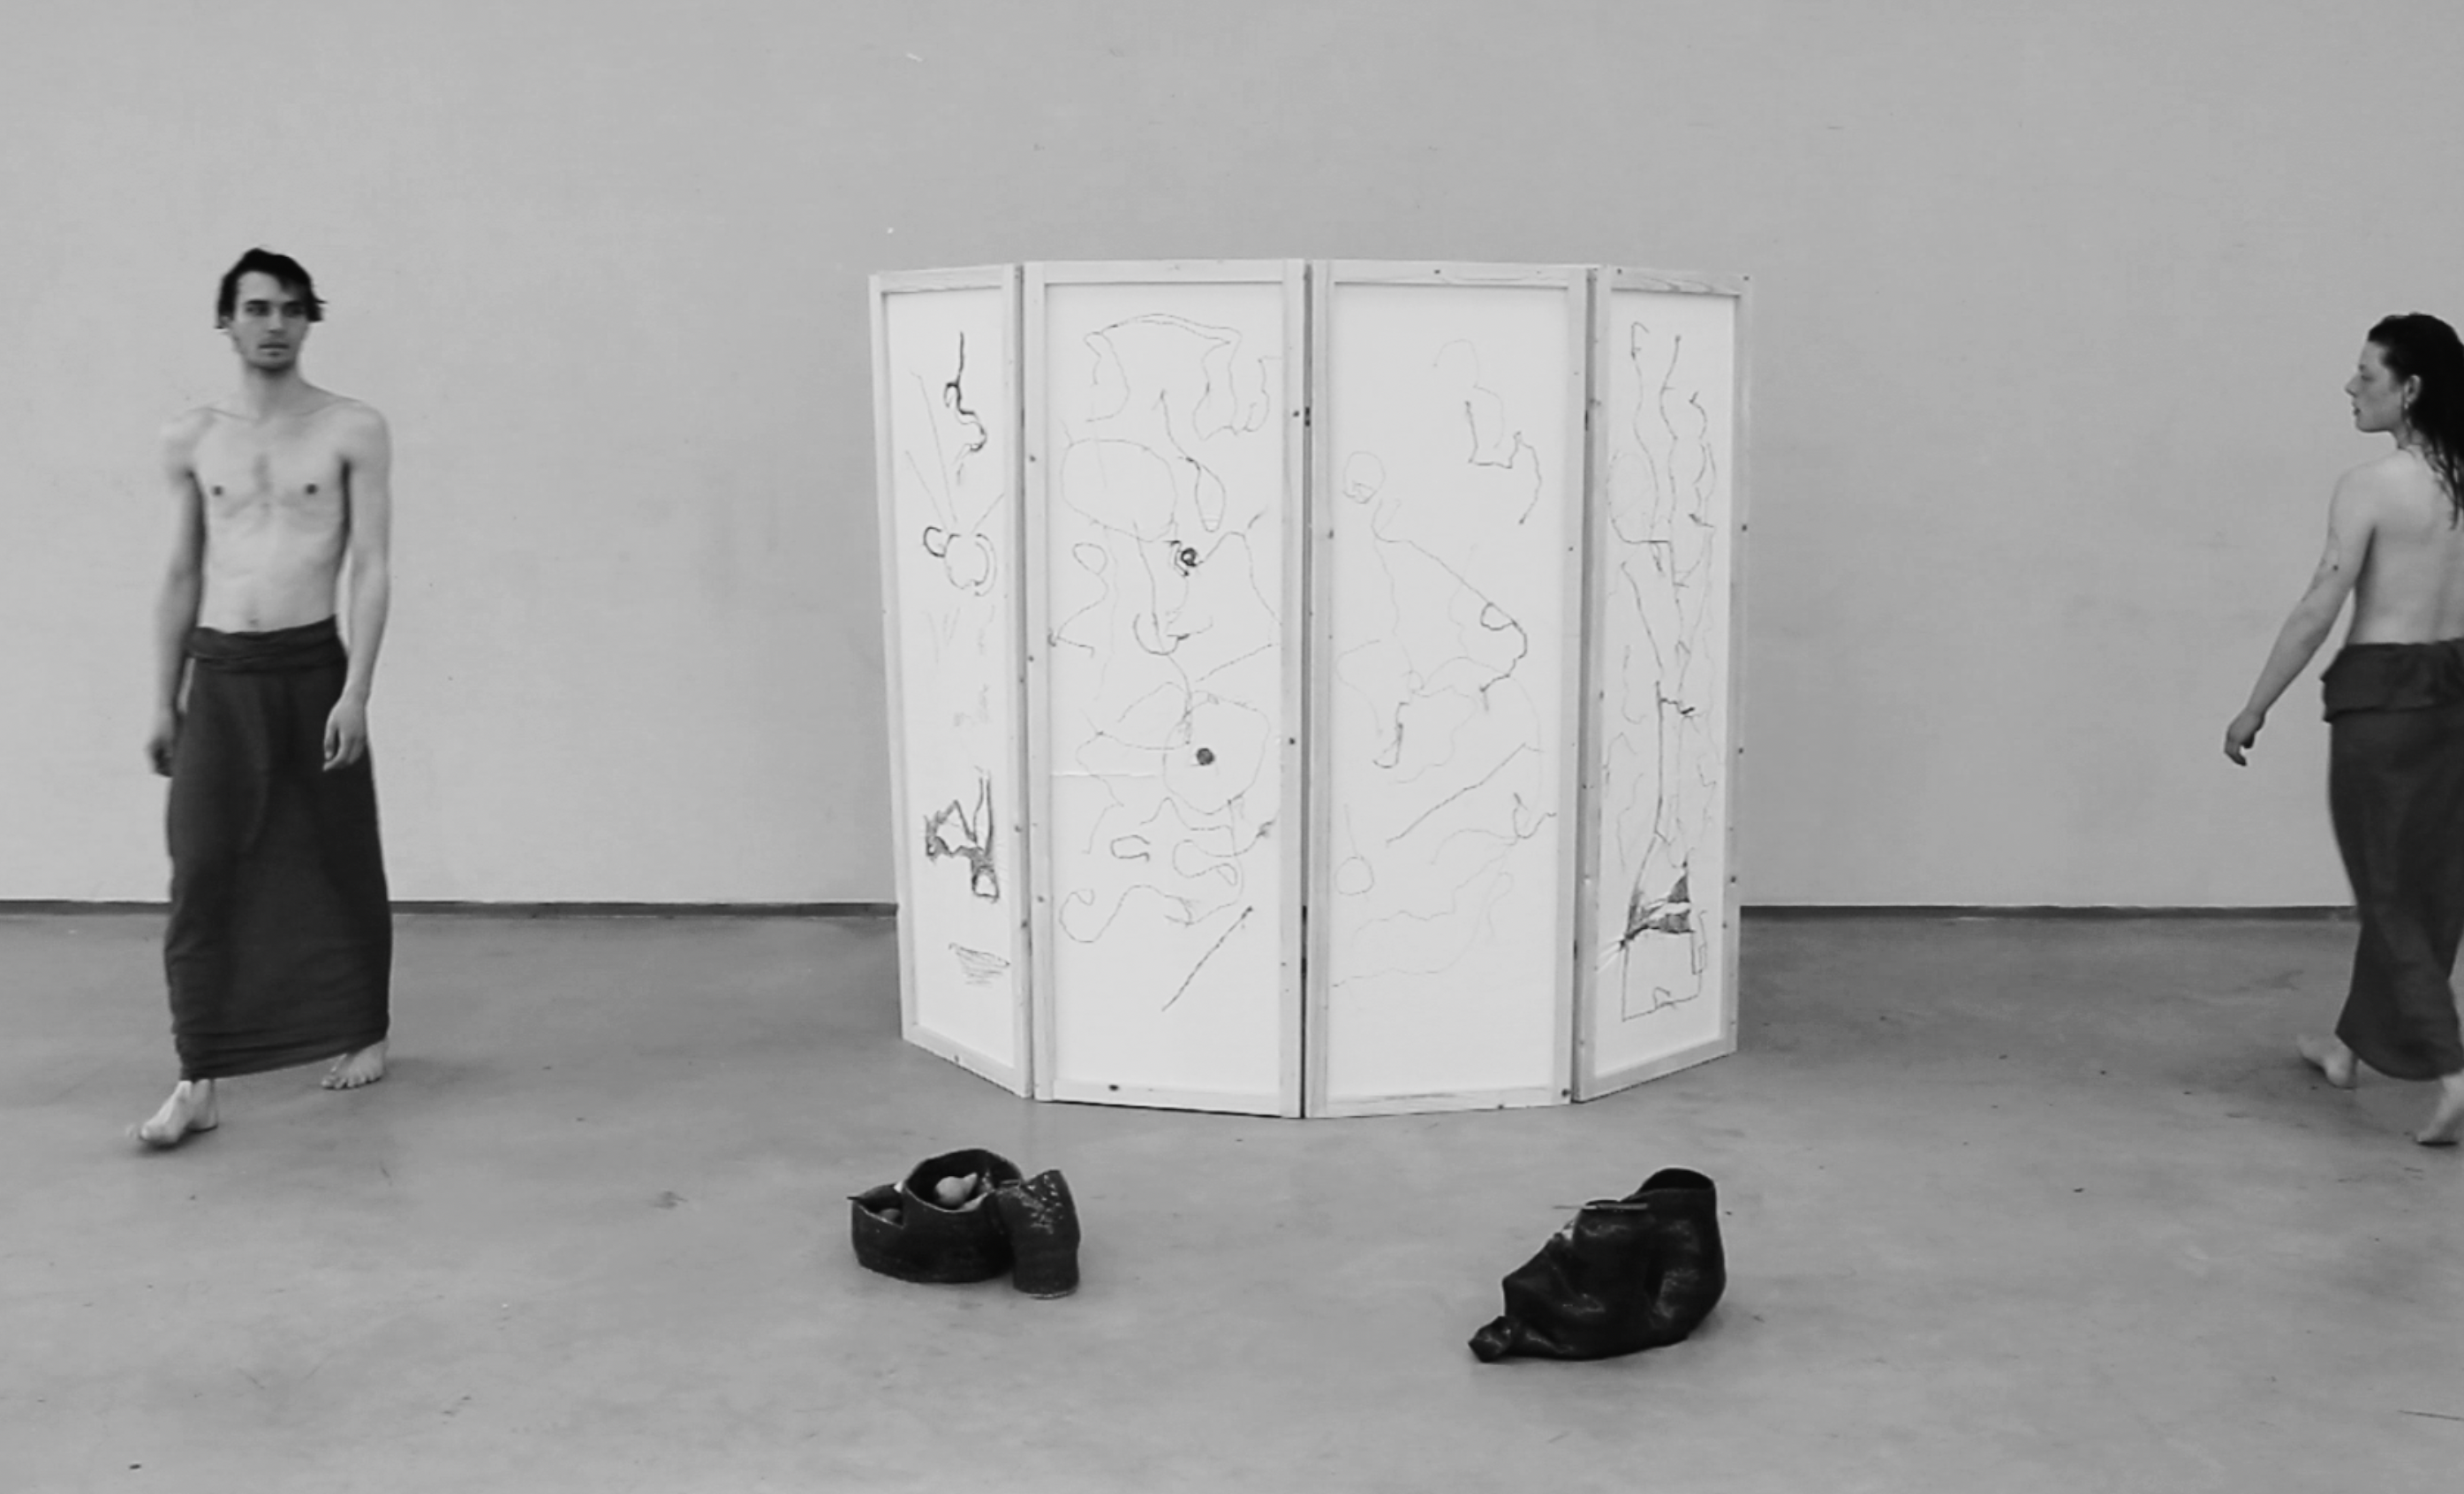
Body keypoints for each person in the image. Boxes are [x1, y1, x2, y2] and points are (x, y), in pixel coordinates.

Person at [133, 248, 396, 1149]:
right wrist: (163, 699)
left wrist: (357, 691)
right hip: (221, 671)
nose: (274, 323)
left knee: (338, 850)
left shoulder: (352, 428)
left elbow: (371, 567)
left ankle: (363, 1025)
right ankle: (197, 1076)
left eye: (290, 308)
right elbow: (180, 572)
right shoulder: (192, 437)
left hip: (312, 666)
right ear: (227, 321)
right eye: (256, 308)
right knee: (202, 864)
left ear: (308, 319)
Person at [2225, 313, 2464, 1147]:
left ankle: (2450, 1068)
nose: (2351, 387)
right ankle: (2348, 1047)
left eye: (2367, 374)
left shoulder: (2371, 485)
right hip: (2454, 695)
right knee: (2429, 884)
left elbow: (2319, 605)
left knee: (2388, 889)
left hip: (2383, 705)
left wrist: (2256, 704)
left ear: (2411, 389)